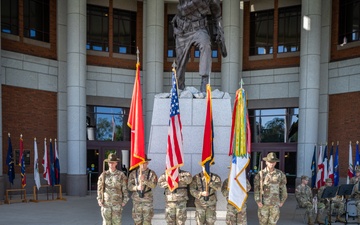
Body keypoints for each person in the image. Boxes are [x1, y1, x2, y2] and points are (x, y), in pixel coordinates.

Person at [173, 0, 227, 92]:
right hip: (183, 30)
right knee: (180, 64)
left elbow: (217, 15)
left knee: (206, 44)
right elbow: (183, 9)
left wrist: (219, 30)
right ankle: (179, 87)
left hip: (199, 28)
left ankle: (204, 83)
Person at [254, 152, 288, 225]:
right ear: (266, 162)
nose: (271, 164)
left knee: (272, 223)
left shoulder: (280, 174)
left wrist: (282, 201)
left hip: (275, 204)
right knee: (263, 223)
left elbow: (283, 189)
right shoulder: (260, 174)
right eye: (269, 162)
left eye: (273, 162)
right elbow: (256, 189)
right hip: (263, 204)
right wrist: (257, 200)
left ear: (275, 163)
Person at [97, 153, 129, 225]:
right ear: (108, 163)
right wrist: (99, 199)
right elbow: (100, 189)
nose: (111, 164)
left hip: (117, 204)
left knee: (116, 223)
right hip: (106, 203)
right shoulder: (104, 175)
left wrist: (125, 200)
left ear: (116, 163)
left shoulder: (121, 175)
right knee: (106, 223)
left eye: (113, 162)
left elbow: (124, 188)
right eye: (110, 162)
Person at [128, 155, 158, 225]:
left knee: (147, 221)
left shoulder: (151, 173)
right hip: (137, 201)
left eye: (144, 162)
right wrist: (136, 188)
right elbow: (129, 186)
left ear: (147, 163)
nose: (143, 164)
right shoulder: (133, 173)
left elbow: (154, 185)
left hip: (147, 201)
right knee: (137, 221)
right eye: (141, 162)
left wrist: (145, 180)